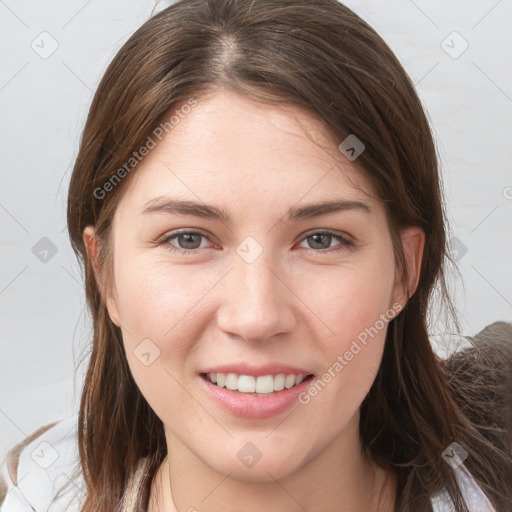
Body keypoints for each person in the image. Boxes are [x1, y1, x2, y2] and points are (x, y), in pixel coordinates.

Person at [1, 0, 510, 510]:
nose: (256, 316)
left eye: (321, 239)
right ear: (104, 272)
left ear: (404, 271)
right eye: (188, 239)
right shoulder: (36, 492)